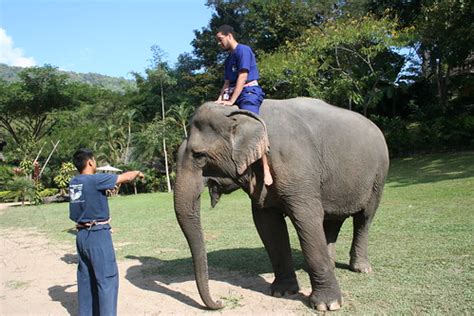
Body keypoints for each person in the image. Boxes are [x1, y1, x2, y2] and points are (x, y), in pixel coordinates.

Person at [69, 148, 144, 315]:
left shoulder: (74, 182)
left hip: (81, 236)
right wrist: (137, 172)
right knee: (107, 280)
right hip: (97, 235)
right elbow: (125, 177)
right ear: (90, 162)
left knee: (86, 279)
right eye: (94, 160)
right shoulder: (95, 180)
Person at [215, 24, 273, 186]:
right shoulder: (228, 59)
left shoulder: (243, 51)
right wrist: (220, 99)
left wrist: (232, 100)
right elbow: (227, 82)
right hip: (234, 93)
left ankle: (265, 167)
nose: (219, 43)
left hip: (248, 93)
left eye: (220, 40)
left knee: (251, 125)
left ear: (229, 36)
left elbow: (242, 76)